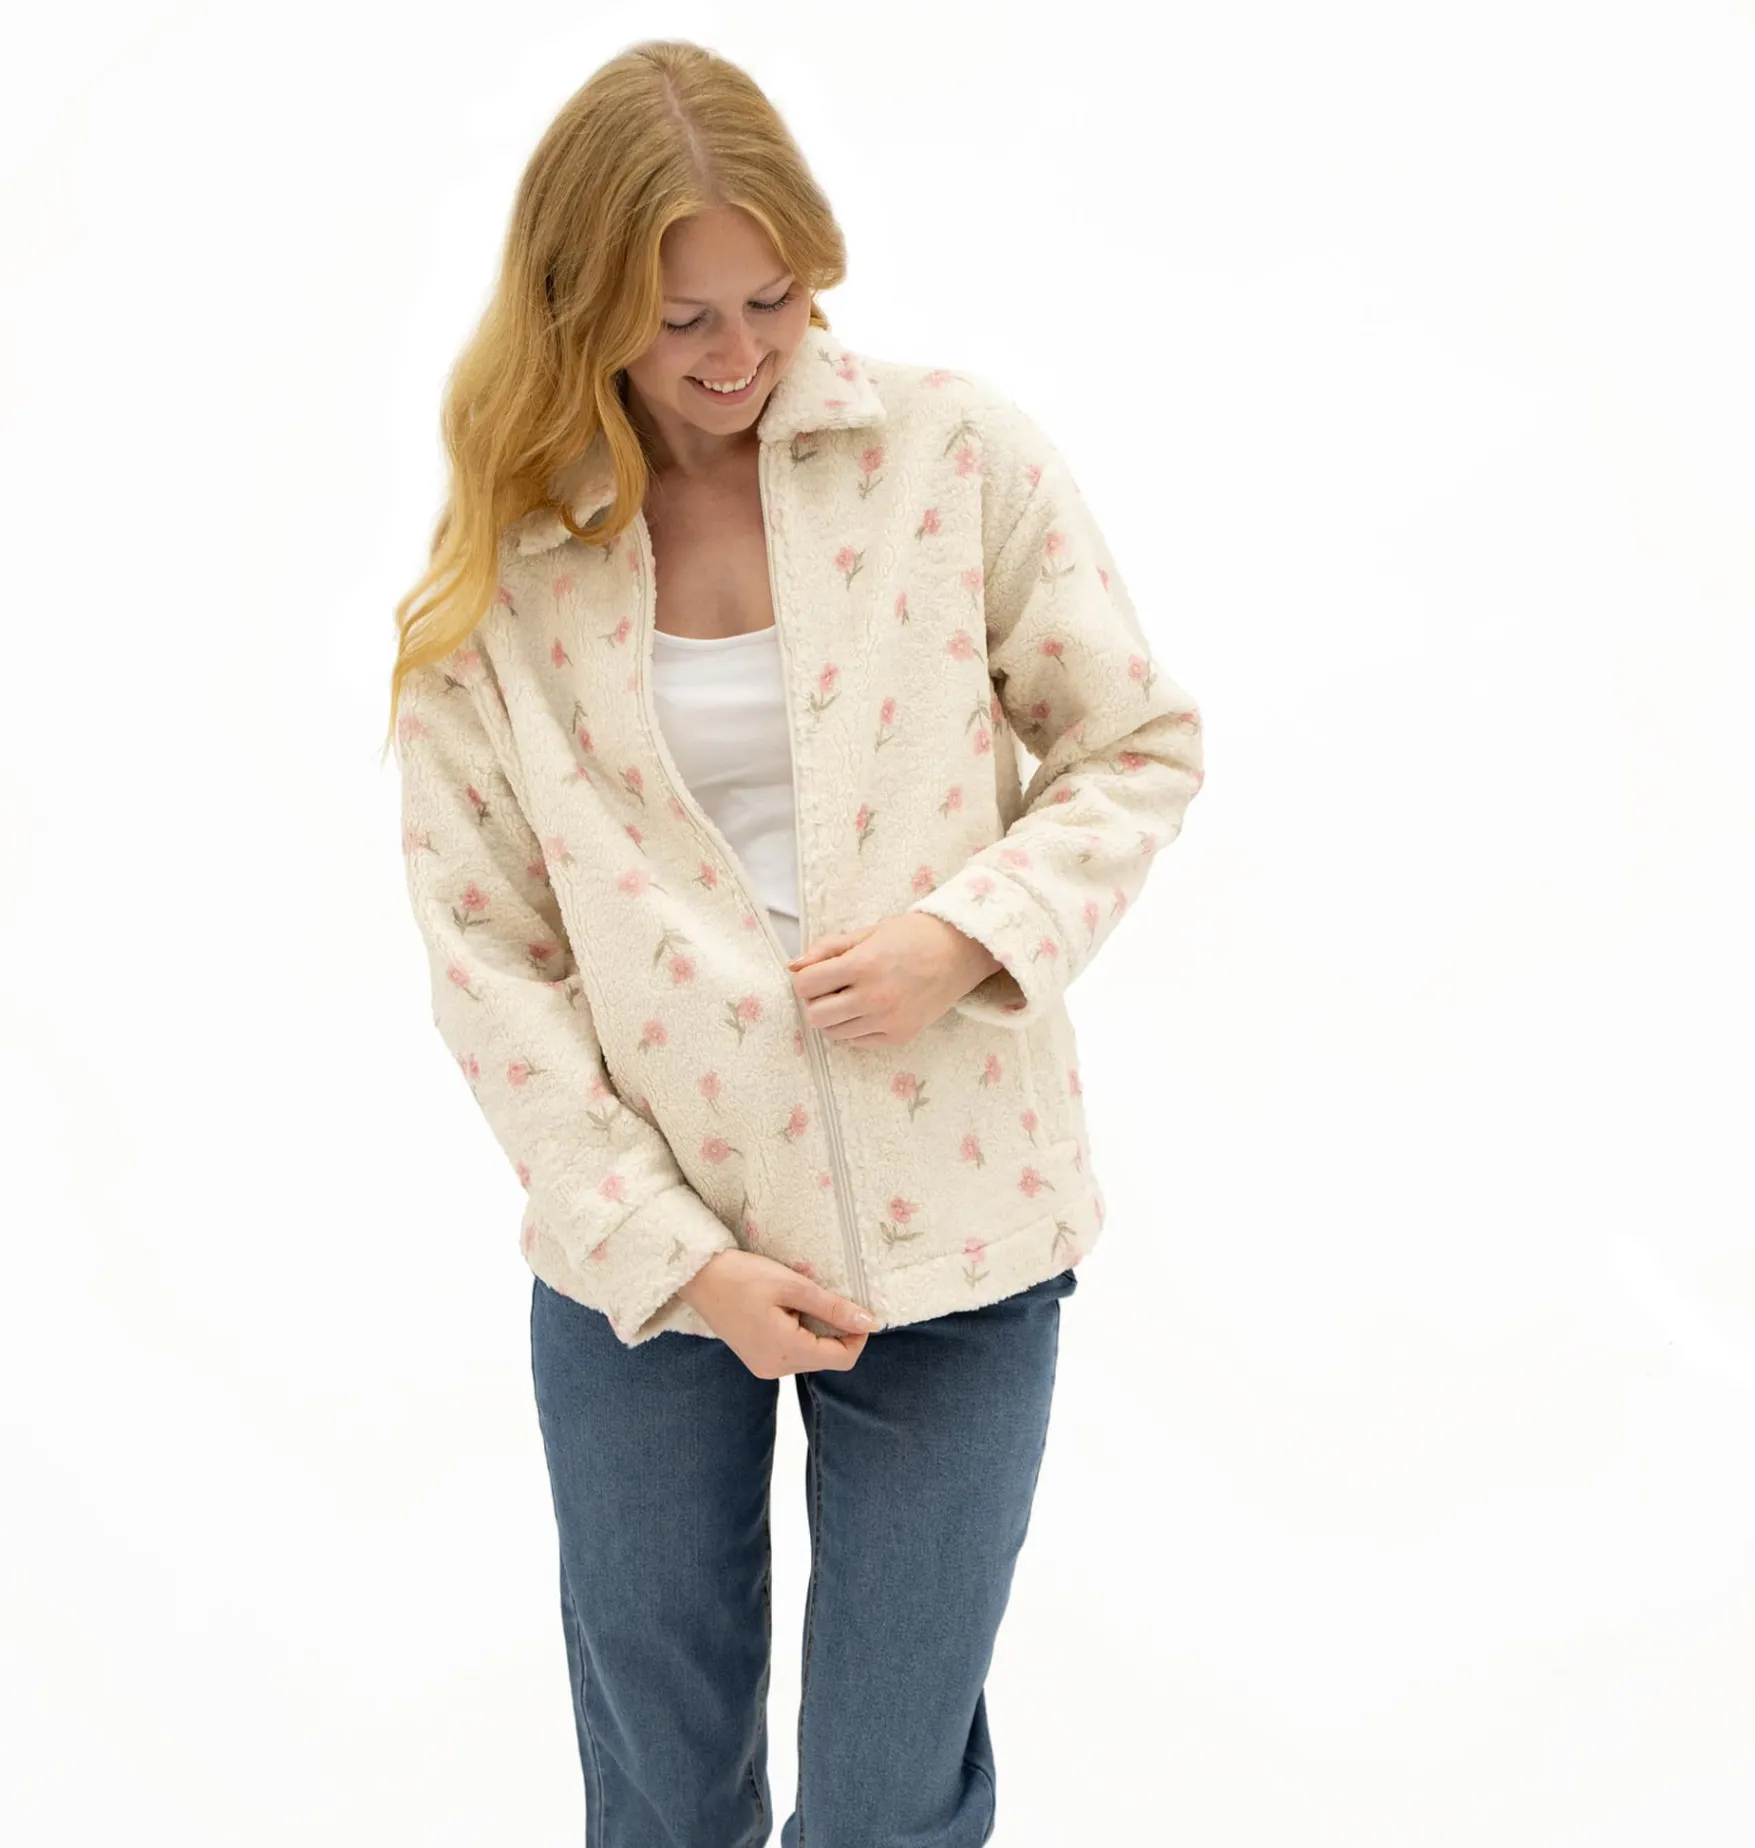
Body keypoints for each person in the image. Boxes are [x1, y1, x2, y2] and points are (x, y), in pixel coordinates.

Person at [385, 37, 1206, 1848]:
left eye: (772, 298)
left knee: (889, 1803)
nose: (738, 350)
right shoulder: (510, 567)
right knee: (663, 1803)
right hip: (646, 1253)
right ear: (580, 300)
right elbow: (488, 956)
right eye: (681, 317)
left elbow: (1134, 743)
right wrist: (681, 1264)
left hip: (957, 1222)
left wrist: (966, 936)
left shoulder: (951, 456)